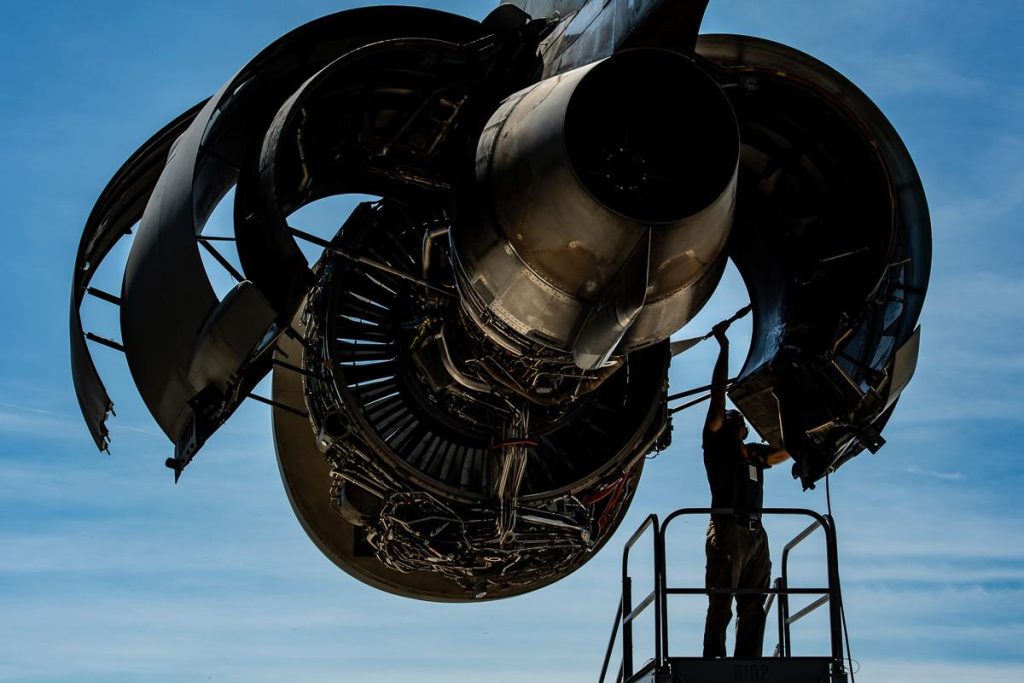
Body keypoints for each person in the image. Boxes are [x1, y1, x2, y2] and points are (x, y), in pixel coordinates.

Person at [702, 322, 790, 658]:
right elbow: (716, 396)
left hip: (756, 534)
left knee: (754, 605)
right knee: (721, 601)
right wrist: (724, 347)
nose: (737, 417)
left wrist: (786, 396)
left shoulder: (754, 453)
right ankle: (715, 659)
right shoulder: (715, 445)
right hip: (727, 529)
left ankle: (748, 660)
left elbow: (787, 449)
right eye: (731, 416)